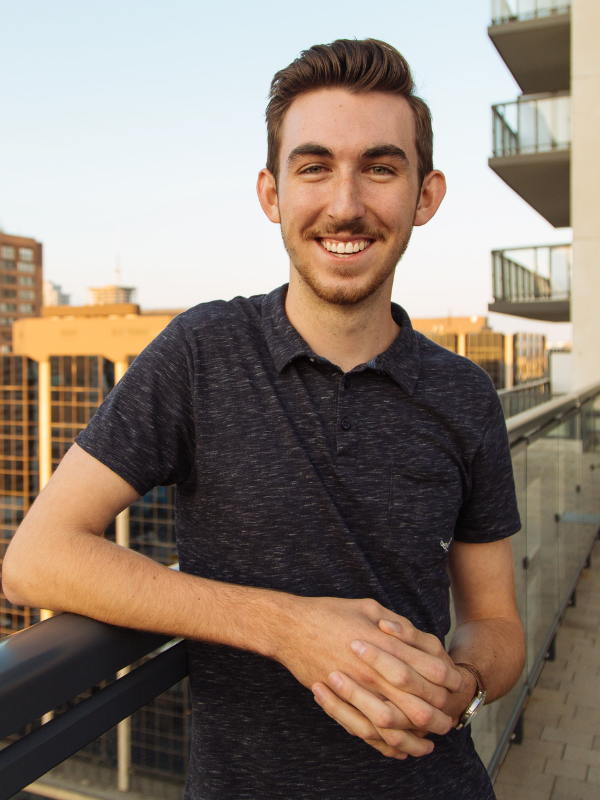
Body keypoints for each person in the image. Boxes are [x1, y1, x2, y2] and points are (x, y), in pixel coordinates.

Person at [3, 38, 525, 800]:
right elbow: (36, 558)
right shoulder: (201, 353)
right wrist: (286, 628)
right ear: (272, 194)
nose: (345, 204)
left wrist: (465, 679)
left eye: (380, 168)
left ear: (425, 195)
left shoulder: (465, 395)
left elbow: (497, 623)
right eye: (314, 168)